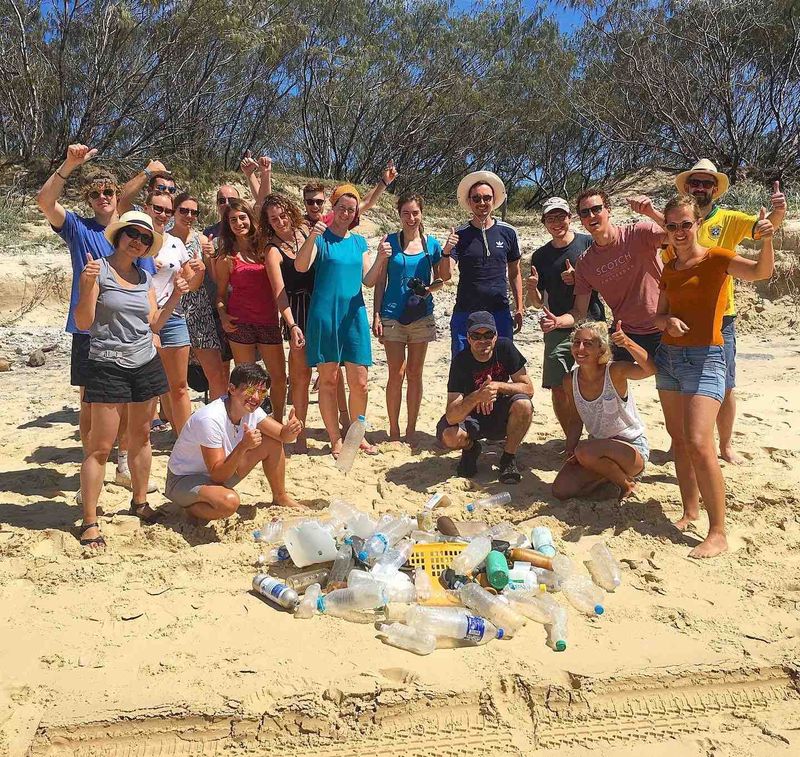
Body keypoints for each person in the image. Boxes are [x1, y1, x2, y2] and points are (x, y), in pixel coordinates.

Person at [629, 159, 786, 464]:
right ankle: (680, 446)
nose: (700, 188)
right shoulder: (677, 222)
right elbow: (675, 229)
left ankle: (725, 446)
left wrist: (777, 214)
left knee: (724, 385)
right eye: (695, 183)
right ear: (687, 187)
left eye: (706, 183)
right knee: (677, 383)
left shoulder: (728, 219)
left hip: (719, 316)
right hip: (677, 314)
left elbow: (763, 232)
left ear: (716, 189)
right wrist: (650, 214)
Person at [653, 195, 774, 559]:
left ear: (697, 224)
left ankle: (718, 531)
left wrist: (766, 238)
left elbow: (759, 273)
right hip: (669, 358)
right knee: (678, 441)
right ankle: (690, 511)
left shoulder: (716, 258)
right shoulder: (669, 266)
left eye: (684, 224)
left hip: (707, 358)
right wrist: (667, 322)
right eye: (671, 226)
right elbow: (658, 316)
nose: (678, 232)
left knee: (699, 441)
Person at [35, 143, 156, 496]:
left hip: (130, 334)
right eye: (96, 193)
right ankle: (92, 462)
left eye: (109, 191)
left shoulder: (136, 235)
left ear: (119, 196)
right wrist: (69, 165)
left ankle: (119, 460)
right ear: (89, 200)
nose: (103, 196)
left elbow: (145, 286)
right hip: (89, 329)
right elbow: (45, 201)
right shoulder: (78, 227)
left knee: (128, 403)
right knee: (90, 401)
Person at [74, 211, 187, 550]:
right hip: (107, 364)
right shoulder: (98, 270)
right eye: (132, 234)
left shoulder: (144, 277)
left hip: (145, 362)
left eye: (144, 238)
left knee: (140, 437)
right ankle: (90, 520)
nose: (137, 241)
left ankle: (139, 502)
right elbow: (83, 322)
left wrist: (178, 296)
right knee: (100, 447)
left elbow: (153, 322)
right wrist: (85, 285)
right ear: (120, 235)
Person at [296, 184, 377, 459]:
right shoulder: (321, 237)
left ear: (356, 213)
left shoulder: (359, 242)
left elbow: (369, 279)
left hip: (354, 315)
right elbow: (301, 266)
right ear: (333, 208)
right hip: (325, 315)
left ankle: (357, 435)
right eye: (341, 208)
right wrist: (312, 237)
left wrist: (384, 260)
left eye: (351, 209)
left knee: (360, 382)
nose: (345, 213)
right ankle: (335, 439)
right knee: (329, 381)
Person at [540, 188, 665, 362]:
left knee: (670, 385)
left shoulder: (639, 233)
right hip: (625, 332)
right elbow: (579, 311)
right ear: (581, 220)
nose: (591, 215)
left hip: (663, 325)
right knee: (606, 378)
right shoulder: (585, 263)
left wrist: (651, 212)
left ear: (608, 210)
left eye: (596, 209)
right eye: (585, 212)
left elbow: (680, 235)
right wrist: (557, 321)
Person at [165, 363, 302, 521]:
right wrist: (243, 446)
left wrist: (292, 429)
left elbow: (282, 436)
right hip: (184, 479)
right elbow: (217, 476)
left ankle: (280, 497)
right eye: (250, 390)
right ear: (232, 388)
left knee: (271, 442)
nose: (256, 397)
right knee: (229, 502)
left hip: (219, 472)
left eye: (262, 392)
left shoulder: (251, 410)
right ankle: (190, 509)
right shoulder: (210, 419)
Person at [367, 193, 449, 445]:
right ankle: (393, 431)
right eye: (406, 213)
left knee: (415, 373)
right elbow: (380, 281)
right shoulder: (389, 242)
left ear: (421, 214)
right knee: (396, 373)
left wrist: (428, 288)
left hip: (421, 315)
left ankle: (411, 430)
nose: (411, 218)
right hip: (392, 315)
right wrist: (377, 314)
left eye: (415, 213)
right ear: (399, 215)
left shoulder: (431, 245)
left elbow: (443, 278)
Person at [526, 197, 605, 439]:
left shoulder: (589, 243)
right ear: (544, 223)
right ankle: (571, 437)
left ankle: (599, 434)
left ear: (570, 218)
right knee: (559, 386)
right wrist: (531, 288)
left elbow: (605, 280)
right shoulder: (540, 256)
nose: (557, 222)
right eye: (551, 218)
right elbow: (539, 302)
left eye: (561, 216)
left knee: (597, 382)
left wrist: (581, 276)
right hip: (557, 324)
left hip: (590, 322)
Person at [552, 320, 654, 502]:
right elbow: (575, 420)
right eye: (576, 342)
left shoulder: (615, 371)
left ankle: (626, 483)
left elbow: (650, 370)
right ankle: (608, 476)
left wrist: (627, 343)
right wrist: (570, 450)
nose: (580, 348)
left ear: (601, 349)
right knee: (561, 489)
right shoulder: (570, 380)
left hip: (630, 448)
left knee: (585, 451)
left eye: (588, 344)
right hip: (596, 449)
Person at [436, 312, 533, 483]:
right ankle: (471, 448)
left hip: (499, 411)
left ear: (496, 336)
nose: (483, 340)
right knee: (449, 436)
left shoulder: (505, 348)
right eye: (476, 335)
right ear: (468, 338)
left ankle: (508, 457)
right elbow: (452, 415)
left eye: (488, 334)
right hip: (472, 415)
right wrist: (477, 396)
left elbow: (528, 388)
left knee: (524, 404)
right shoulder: (460, 362)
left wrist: (497, 386)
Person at [214, 199, 287, 420]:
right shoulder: (226, 257)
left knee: (278, 377)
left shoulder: (266, 248)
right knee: (248, 380)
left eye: (242, 217)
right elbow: (220, 294)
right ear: (228, 224)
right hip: (240, 323)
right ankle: (250, 420)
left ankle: (277, 420)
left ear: (250, 218)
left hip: (268, 320)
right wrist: (223, 314)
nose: (238, 223)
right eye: (233, 220)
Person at [440, 171, 524, 357]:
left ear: (494, 200)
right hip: (466, 311)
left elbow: (514, 272)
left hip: (499, 311)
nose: (482, 203)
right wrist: (446, 252)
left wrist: (519, 307)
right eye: (476, 198)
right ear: (469, 202)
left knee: (502, 364)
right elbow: (446, 275)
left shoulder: (508, 232)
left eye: (487, 198)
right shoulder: (460, 234)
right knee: (462, 367)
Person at [143, 192, 205, 435]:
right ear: (147, 208)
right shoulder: (135, 239)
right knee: (150, 385)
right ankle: (138, 440)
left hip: (174, 315)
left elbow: (190, 282)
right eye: (158, 209)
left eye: (167, 211)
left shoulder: (175, 244)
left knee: (178, 386)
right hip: (142, 318)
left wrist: (199, 270)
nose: (163, 215)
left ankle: (184, 438)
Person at [259, 193, 315, 449]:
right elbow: (279, 294)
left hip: (321, 306)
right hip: (298, 312)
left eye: (282, 215)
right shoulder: (272, 250)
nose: (280, 221)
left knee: (326, 373)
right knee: (300, 376)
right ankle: (298, 433)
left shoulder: (305, 232)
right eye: (273, 219)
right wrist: (292, 326)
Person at [171, 192, 229, 400]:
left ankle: (217, 425)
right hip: (172, 310)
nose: (188, 215)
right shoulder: (161, 239)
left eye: (193, 212)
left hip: (199, 310)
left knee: (216, 375)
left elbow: (214, 278)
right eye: (183, 210)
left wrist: (210, 258)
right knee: (174, 380)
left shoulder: (202, 239)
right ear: (174, 211)